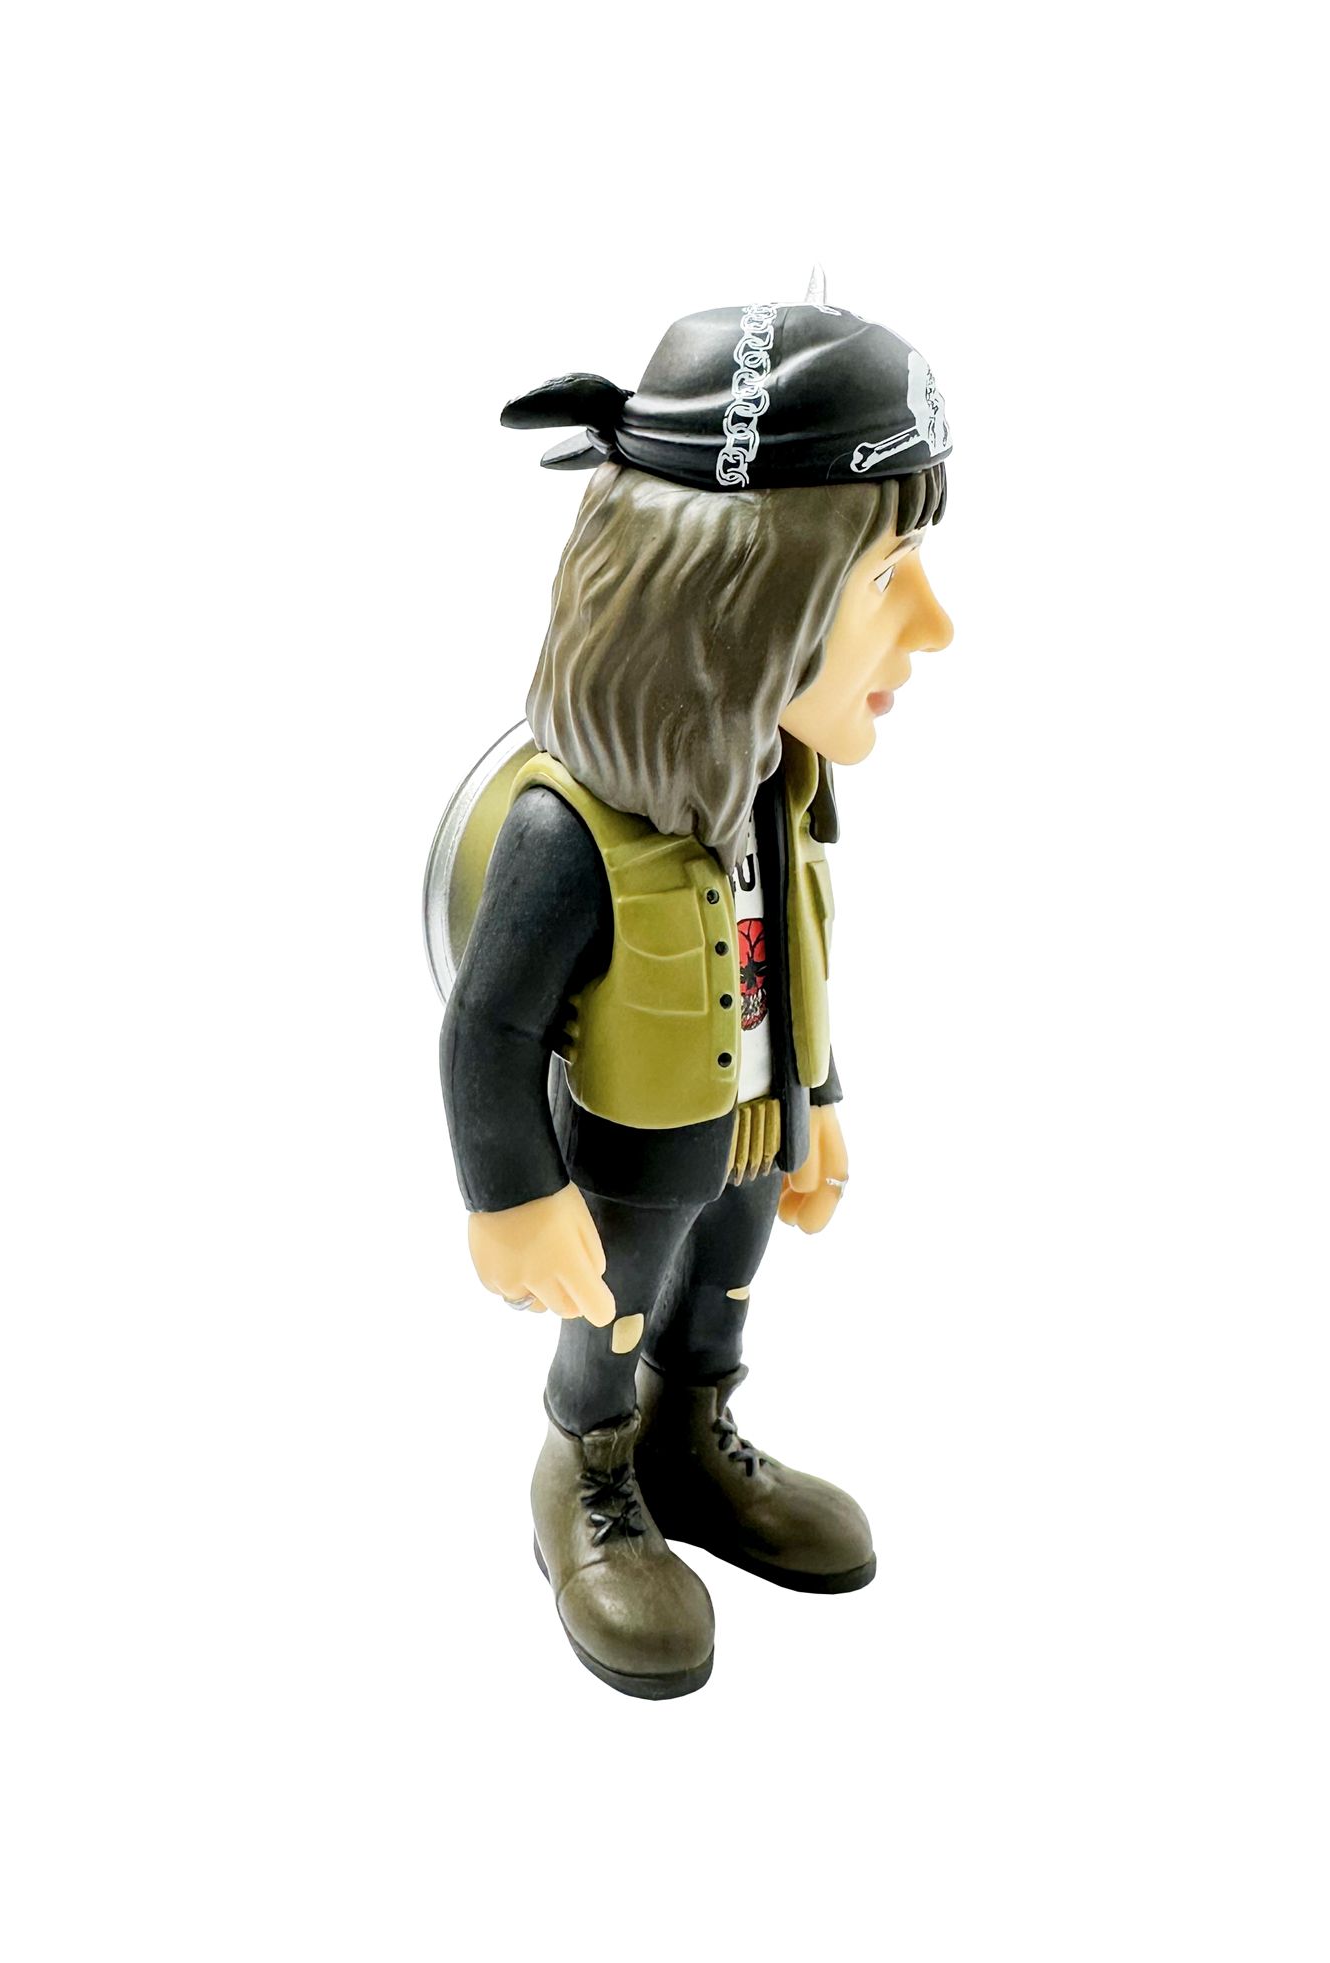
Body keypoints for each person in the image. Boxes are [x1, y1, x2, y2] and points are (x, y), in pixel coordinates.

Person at [439, 290, 955, 1698]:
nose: (934, 626)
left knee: (720, 1290)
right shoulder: (567, 836)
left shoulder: (778, 786)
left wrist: (818, 1099)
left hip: (746, 1130)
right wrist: (513, 1195)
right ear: (737, 608)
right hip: (629, 1156)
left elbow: (795, 952)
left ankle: (689, 1435)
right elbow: (487, 1028)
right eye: (885, 579)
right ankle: (588, 1470)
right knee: (614, 1313)